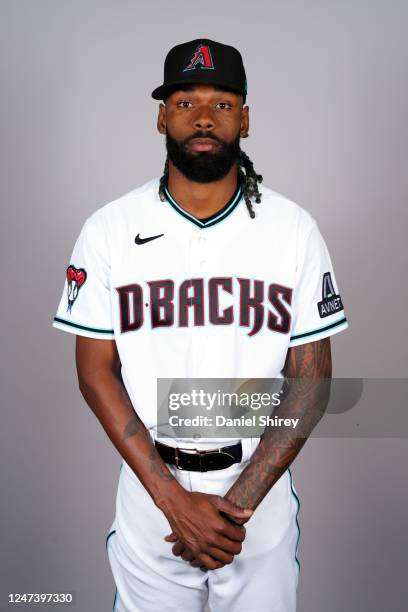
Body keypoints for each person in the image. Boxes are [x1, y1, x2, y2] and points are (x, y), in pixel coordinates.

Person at [53, 38, 348, 612]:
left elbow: (310, 383)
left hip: (256, 489)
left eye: (222, 101)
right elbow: (95, 373)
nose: (205, 116)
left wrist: (233, 509)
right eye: (186, 102)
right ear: (161, 116)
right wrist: (172, 502)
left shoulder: (293, 230)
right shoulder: (110, 229)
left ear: (245, 117)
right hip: (150, 488)